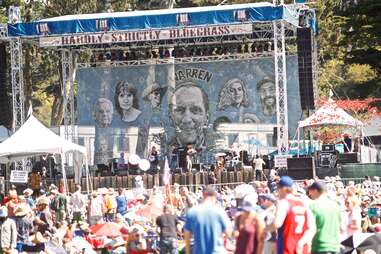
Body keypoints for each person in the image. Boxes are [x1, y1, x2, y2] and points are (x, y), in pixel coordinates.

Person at [266, 176, 316, 254]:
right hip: (301, 248)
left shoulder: (283, 202)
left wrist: (264, 230)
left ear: (284, 189)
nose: (277, 192)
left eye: (278, 189)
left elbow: (277, 223)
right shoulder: (303, 203)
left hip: (287, 246)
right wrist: (303, 241)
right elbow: (312, 227)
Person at [184, 186, 231, 254]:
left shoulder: (192, 212)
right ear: (214, 196)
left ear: (203, 195)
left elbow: (187, 235)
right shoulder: (219, 211)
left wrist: (188, 252)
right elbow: (228, 232)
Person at [169, 82, 209, 150]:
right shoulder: (167, 148)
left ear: (206, 118)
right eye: (180, 110)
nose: (187, 119)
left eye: (195, 110)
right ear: (171, 118)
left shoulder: (212, 149)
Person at [307, 181, 342, 254]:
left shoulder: (313, 206)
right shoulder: (335, 206)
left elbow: (311, 228)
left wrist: (304, 242)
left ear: (315, 191)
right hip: (335, 247)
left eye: (310, 191)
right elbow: (342, 227)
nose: (309, 194)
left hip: (320, 247)